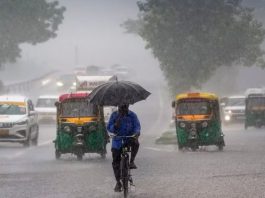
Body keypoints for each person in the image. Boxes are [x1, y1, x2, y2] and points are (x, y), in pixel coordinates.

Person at [107, 104, 141, 192]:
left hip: (129, 138)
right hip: (117, 140)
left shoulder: (132, 115)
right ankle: (118, 182)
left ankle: (132, 161)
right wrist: (115, 125)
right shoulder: (114, 115)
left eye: (125, 107)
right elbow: (109, 127)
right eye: (121, 107)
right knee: (115, 162)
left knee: (136, 143)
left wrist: (136, 133)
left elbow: (137, 126)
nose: (123, 109)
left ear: (128, 107)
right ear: (118, 107)